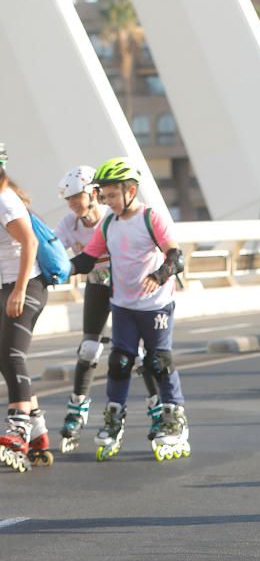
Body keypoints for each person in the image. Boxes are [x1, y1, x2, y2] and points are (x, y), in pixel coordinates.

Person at [68, 157, 190, 462]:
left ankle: (174, 417)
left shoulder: (151, 218)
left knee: (158, 361)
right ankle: (114, 417)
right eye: (104, 196)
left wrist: (158, 276)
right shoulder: (108, 223)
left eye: (112, 195)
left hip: (155, 305)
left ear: (131, 191)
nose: (107, 202)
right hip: (123, 304)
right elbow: (87, 260)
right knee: (120, 361)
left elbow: (176, 257)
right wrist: (52, 272)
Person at [53, 165, 161, 452]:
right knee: (89, 349)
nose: (75, 204)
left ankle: (158, 410)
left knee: (135, 355)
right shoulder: (69, 223)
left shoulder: (112, 217)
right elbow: (55, 250)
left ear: (94, 193)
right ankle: (77, 410)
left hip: (127, 286)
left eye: (79, 196)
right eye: (70, 200)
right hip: (98, 285)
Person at [0, 143, 51, 472]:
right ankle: (39, 434)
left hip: (26, 286)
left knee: (13, 354)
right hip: (8, 286)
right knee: (3, 356)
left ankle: (19, 428)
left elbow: (29, 242)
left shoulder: (4, 200)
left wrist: (19, 290)